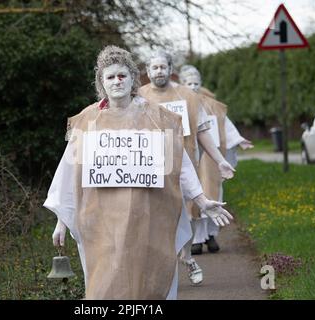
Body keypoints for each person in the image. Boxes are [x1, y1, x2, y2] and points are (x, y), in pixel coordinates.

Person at [43, 46, 233, 299]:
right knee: (105, 280)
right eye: (110, 77)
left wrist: (200, 199)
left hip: (149, 215)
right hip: (101, 219)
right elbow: (69, 172)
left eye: (122, 75)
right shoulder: (88, 121)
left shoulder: (157, 118)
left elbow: (180, 164)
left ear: (133, 78)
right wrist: (62, 220)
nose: (117, 81)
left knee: (148, 277)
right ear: (101, 82)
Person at [138, 50, 236, 285]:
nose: (159, 71)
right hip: (149, 171)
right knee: (153, 222)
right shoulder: (139, 96)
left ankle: (187, 256)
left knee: (183, 217)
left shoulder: (188, 97)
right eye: (154, 67)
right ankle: (160, 271)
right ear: (147, 71)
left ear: (170, 69)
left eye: (163, 67)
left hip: (183, 168)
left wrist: (220, 159)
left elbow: (203, 131)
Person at [178, 65, 253, 254]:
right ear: (182, 84)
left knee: (212, 196)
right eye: (189, 83)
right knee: (192, 196)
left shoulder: (212, 105)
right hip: (190, 157)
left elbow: (225, 125)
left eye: (196, 83)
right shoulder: (178, 103)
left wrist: (238, 139)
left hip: (210, 161)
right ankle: (196, 238)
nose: (193, 87)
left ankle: (211, 235)